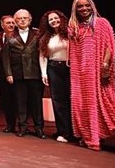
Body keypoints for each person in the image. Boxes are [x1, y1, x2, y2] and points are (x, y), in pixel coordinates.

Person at [68, 0, 115, 151]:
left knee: (104, 103)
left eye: (87, 6)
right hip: (80, 74)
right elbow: (74, 53)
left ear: (92, 7)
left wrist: (105, 65)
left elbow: (109, 47)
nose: (84, 9)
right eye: (80, 7)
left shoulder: (102, 23)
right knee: (83, 105)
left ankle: (109, 138)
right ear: (75, 9)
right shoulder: (74, 27)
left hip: (98, 72)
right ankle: (90, 136)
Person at [2, 9, 46, 139]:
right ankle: (23, 127)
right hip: (18, 74)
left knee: (36, 103)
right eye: (19, 18)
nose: (22, 20)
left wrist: (43, 73)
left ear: (30, 19)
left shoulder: (38, 34)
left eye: (24, 18)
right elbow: (6, 58)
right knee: (20, 102)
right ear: (15, 21)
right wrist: (8, 73)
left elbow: (43, 54)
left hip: (35, 73)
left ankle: (39, 128)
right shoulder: (9, 36)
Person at [37, 10, 72, 143]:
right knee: (58, 101)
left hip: (69, 68)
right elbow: (43, 56)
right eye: (51, 20)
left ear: (61, 18)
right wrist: (44, 73)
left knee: (71, 100)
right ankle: (63, 131)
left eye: (56, 18)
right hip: (53, 68)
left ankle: (74, 131)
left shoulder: (69, 33)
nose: (54, 21)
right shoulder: (46, 37)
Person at [0, 15, 17, 133]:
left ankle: (23, 125)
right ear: (2, 25)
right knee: (7, 100)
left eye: (13, 23)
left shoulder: (20, 36)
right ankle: (10, 125)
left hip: (18, 72)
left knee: (20, 100)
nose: (11, 25)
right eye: (8, 23)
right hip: (2, 73)